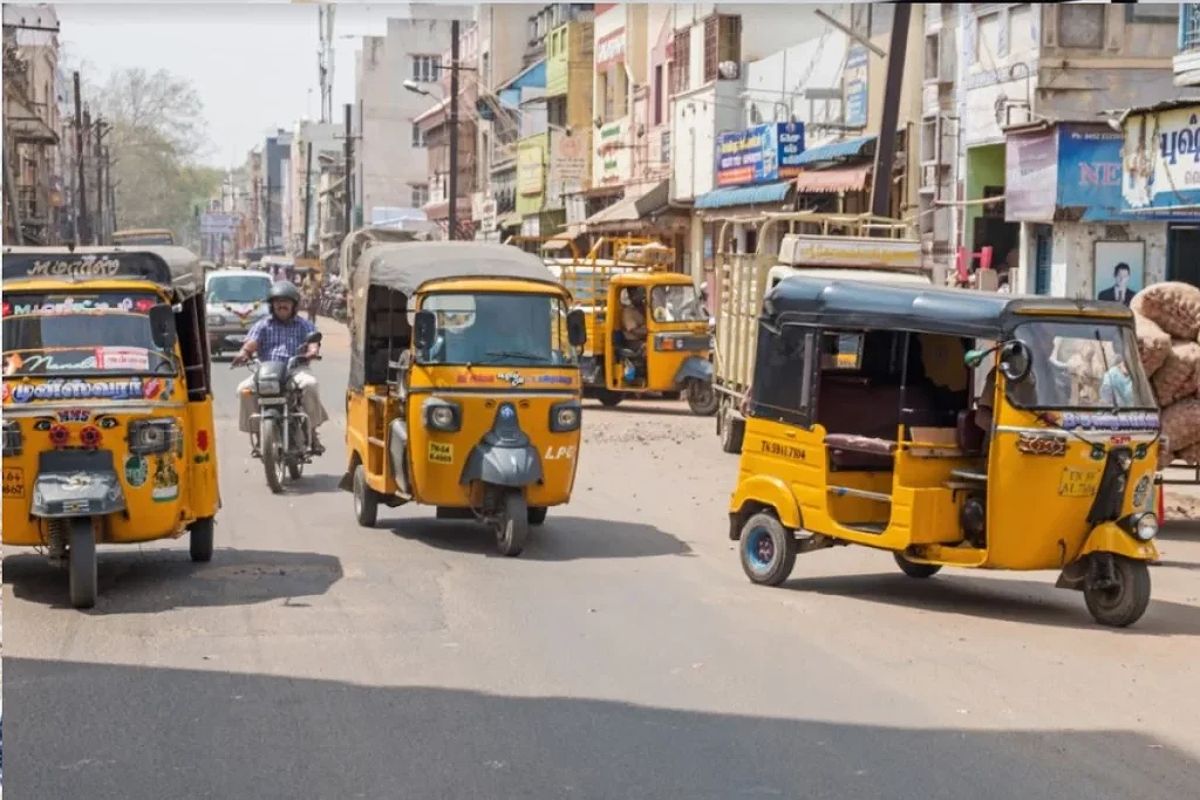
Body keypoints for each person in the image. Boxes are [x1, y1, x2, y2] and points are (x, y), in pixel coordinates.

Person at [233, 281, 329, 455]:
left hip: (295, 370)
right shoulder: (263, 324)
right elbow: (251, 343)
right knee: (243, 390)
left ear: (293, 305)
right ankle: (258, 436)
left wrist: (312, 351)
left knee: (310, 385)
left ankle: (312, 433)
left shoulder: (303, 325)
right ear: (272, 305)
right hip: (266, 370)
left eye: (286, 301)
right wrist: (244, 353)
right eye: (278, 301)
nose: (282, 305)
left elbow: (313, 342)